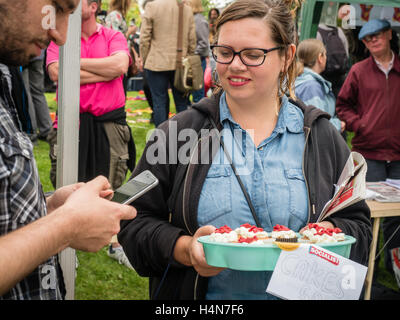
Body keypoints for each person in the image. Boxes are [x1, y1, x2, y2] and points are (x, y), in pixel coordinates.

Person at [119, 0, 372, 300]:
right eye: (224, 53)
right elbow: (131, 217)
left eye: (253, 55)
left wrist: (329, 233)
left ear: (287, 56)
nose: (235, 65)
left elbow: (359, 225)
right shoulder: (176, 134)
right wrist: (184, 249)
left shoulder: (322, 137)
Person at [0, 0, 136, 299]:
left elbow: (118, 67)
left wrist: (47, 207)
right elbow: (58, 72)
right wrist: (64, 226)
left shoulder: (6, 72)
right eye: (59, 7)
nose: (62, 35)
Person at [47, 0, 136, 269]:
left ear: (94, 6)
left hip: (108, 123)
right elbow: (54, 72)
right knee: (65, 184)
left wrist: (72, 65)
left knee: (112, 184)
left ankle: (116, 243)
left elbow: (119, 67)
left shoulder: (113, 35)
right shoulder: (60, 35)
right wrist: (102, 70)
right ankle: (64, 244)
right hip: (69, 123)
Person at [336, 18, 400, 289]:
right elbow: (342, 105)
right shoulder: (359, 71)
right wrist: (361, 124)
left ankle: (392, 266)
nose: (372, 41)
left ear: (388, 35)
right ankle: (367, 269)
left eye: (376, 36)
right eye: (366, 39)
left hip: (398, 155)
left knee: (397, 218)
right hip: (369, 152)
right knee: (368, 212)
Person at [139, 0, 196, 127]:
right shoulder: (186, 9)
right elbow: (192, 39)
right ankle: (185, 138)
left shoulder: (152, 6)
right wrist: (188, 56)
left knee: (159, 102)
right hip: (180, 62)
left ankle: (162, 139)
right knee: (182, 103)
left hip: (156, 62)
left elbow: (144, 38)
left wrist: (144, 57)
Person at [295, 39, 345, 133]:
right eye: (325, 54)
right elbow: (317, 124)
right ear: (320, 58)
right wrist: (338, 125)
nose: (326, 58)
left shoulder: (298, 79)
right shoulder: (311, 87)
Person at [22, 50, 53, 141]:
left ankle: (31, 131)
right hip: (38, 55)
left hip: (23, 55)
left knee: (25, 93)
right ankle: (46, 129)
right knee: (38, 93)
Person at [186, 0, 209, 103]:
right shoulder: (191, 19)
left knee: (197, 92)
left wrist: (192, 54)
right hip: (192, 59)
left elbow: (203, 43)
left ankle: (199, 117)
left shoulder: (199, 20)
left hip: (197, 60)